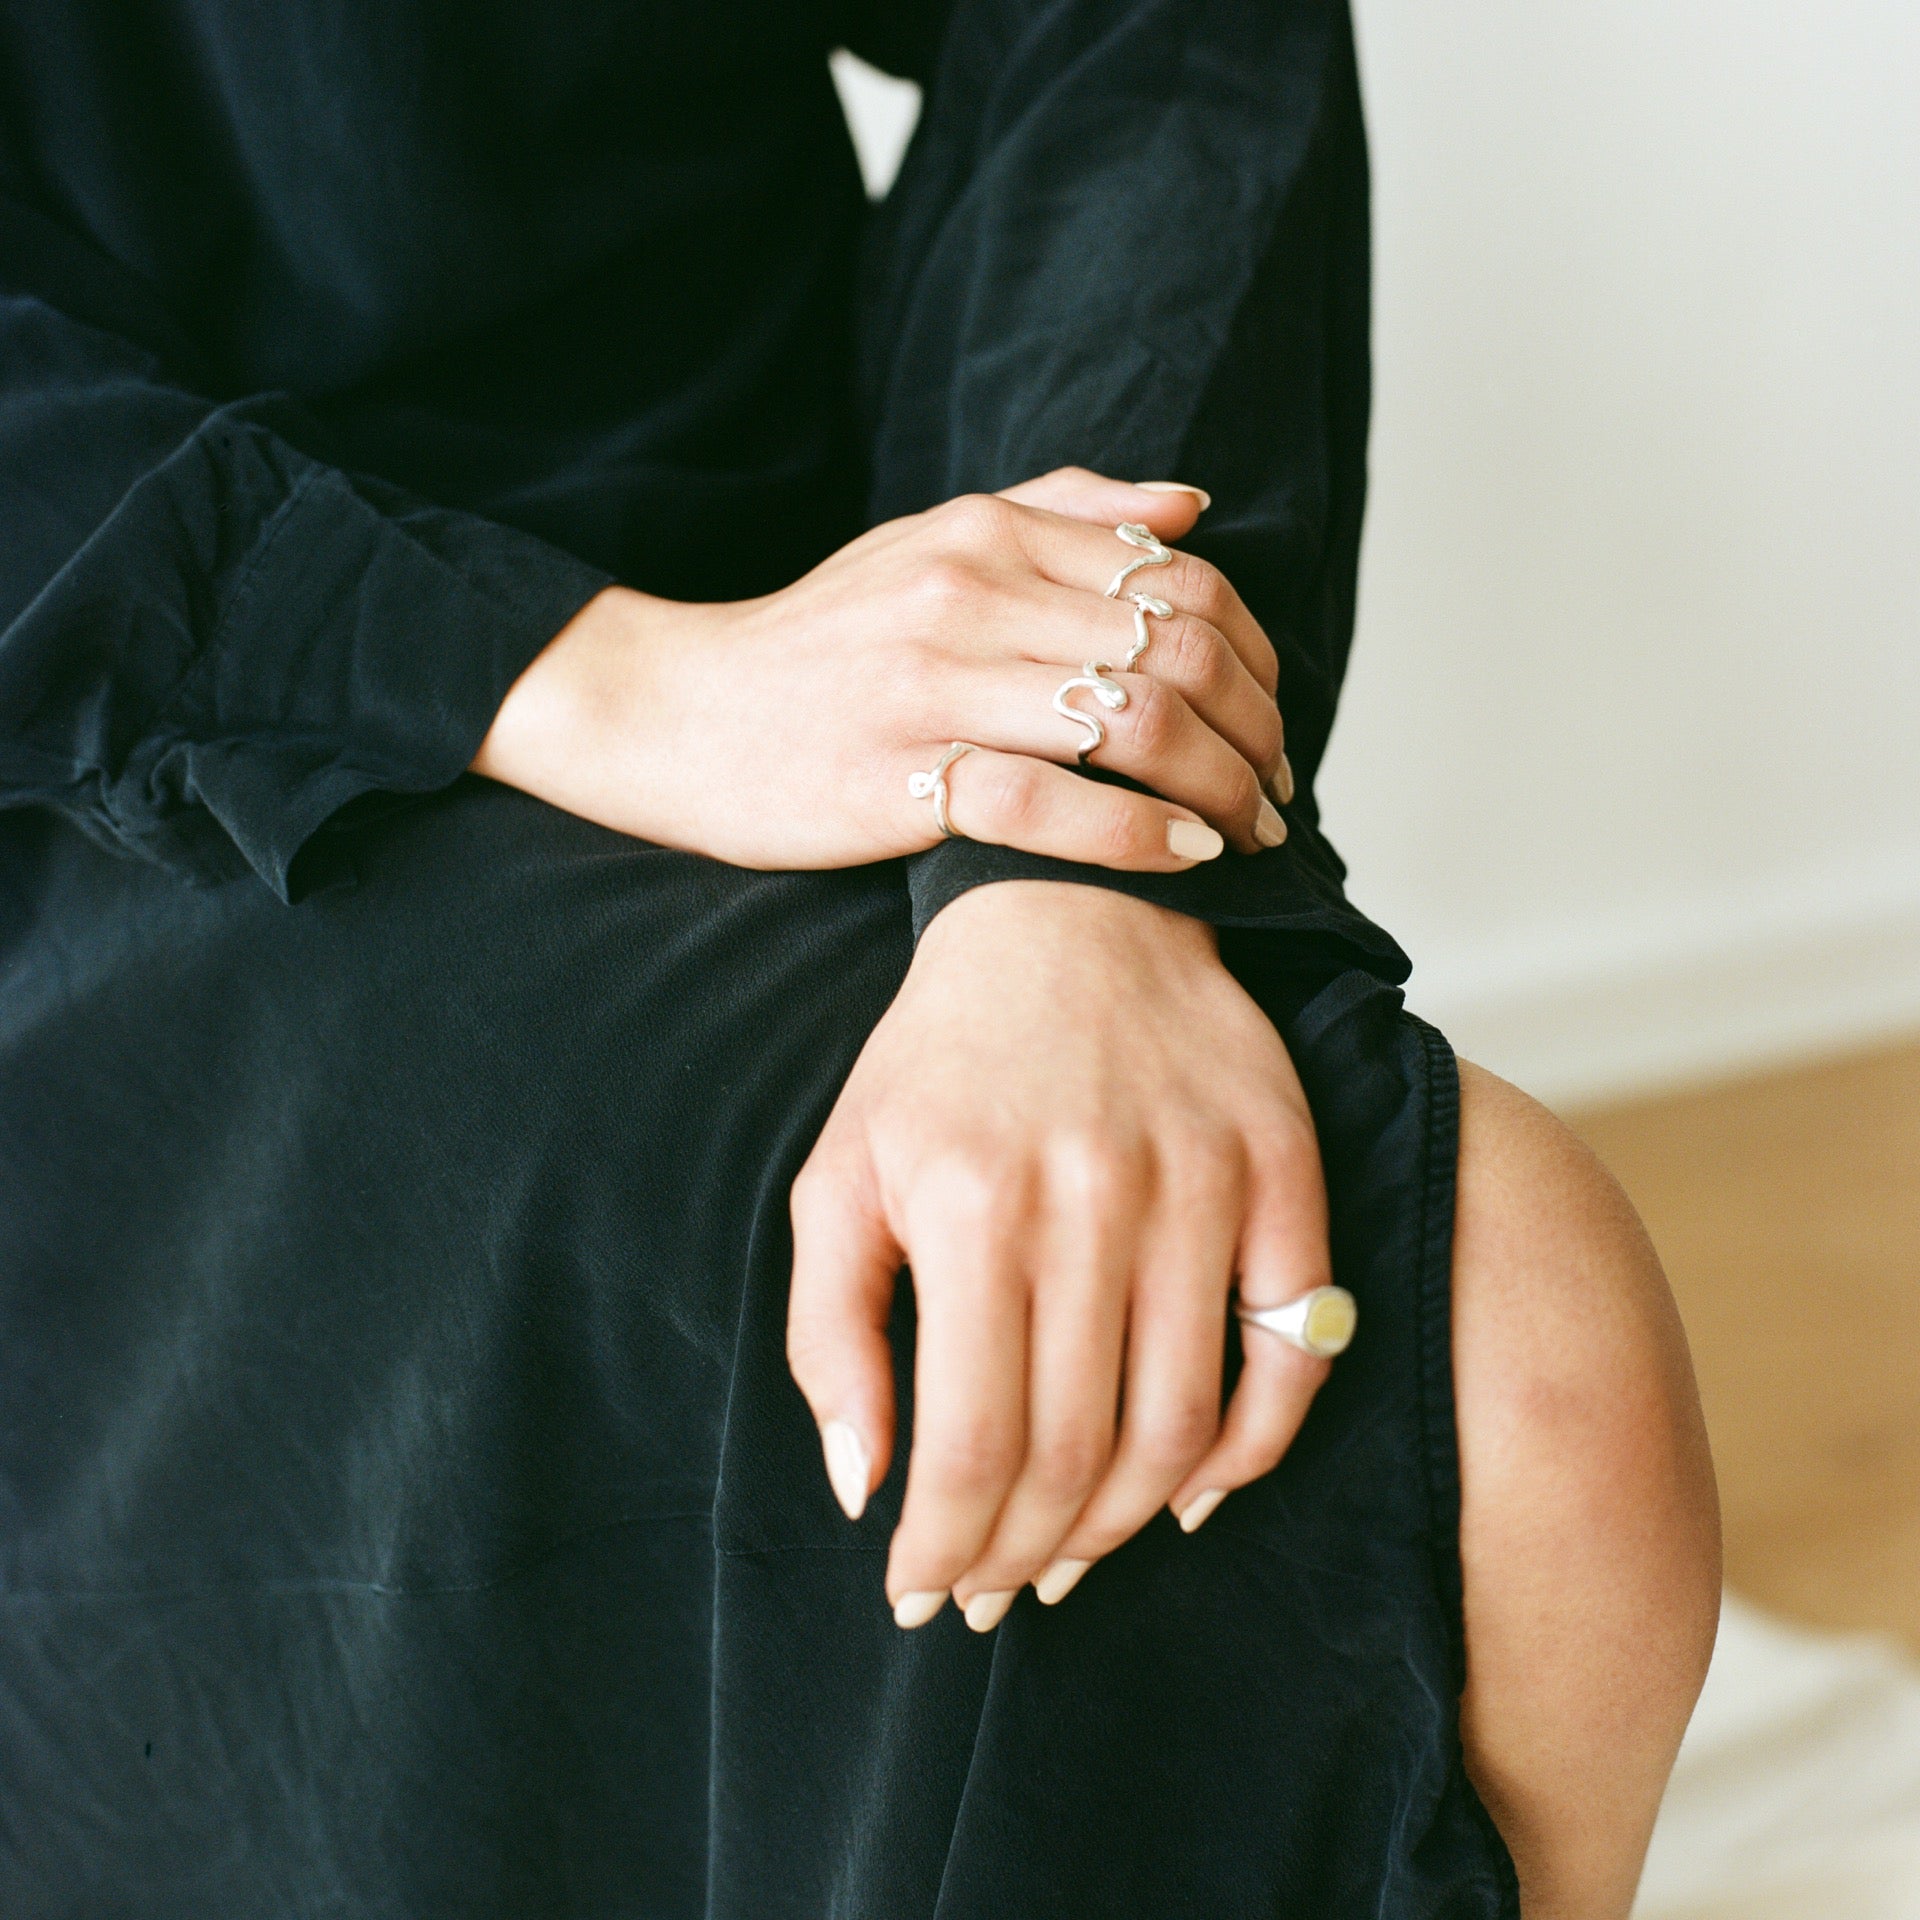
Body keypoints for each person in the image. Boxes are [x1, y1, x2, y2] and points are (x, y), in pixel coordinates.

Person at [0, 2, 1719, 1914]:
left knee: (1514, 1380)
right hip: (114, 766)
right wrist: (600, 678)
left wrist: (1053, 854)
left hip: (818, 636)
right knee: (1492, 1352)